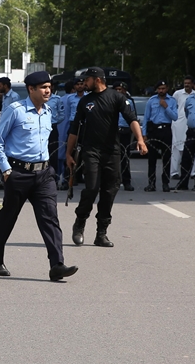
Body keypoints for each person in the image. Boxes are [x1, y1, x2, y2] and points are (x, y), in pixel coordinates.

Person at [0, 71, 78, 281]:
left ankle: (57, 265)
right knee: (8, 217)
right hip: (18, 173)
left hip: (44, 174)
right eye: (43, 87)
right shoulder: (16, 110)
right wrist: (6, 169)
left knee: (50, 218)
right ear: (31, 89)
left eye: (49, 86)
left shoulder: (48, 112)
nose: (48, 90)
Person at [67, 67, 146, 247]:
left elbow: (131, 118)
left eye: (87, 80)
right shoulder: (85, 101)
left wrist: (140, 140)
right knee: (92, 188)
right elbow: (74, 129)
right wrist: (68, 153)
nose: (84, 83)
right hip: (91, 150)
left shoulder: (117, 98)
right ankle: (80, 223)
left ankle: (101, 233)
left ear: (97, 79)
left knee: (109, 192)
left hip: (112, 152)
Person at [142, 80, 178, 192]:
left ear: (167, 88)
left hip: (166, 131)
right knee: (152, 159)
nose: (161, 91)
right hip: (153, 130)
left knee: (166, 158)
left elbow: (175, 117)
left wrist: (166, 107)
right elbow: (146, 118)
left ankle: (165, 183)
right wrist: (144, 134)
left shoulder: (172, 101)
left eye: (163, 88)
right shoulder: (151, 101)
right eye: (159, 89)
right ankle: (151, 183)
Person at [58, 77, 86, 190]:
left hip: (85, 125)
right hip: (74, 124)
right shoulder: (70, 99)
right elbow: (68, 113)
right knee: (71, 151)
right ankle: (68, 177)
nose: (80, 86)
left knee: (85, 151)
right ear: (74, 87)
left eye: (81, 83)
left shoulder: (88, 97)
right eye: (77, 84)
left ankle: (81, 175)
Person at [170, 76, 194, 179]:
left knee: (191, 148)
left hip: (191, 123)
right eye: (185, 83)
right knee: (176, 147)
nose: (187, 85)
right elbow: (173, 106)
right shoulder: (177, 94)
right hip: (178, 123)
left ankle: (192, 172)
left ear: (192, 84)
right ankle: (174, 172)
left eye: (189, 83)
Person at [114, 81, 136, 191]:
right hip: (113, 131)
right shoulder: (110, 101)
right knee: (112, 158)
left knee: (125, 157)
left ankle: (127, 181)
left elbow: (133, 118)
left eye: (120, 89)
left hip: (125, 131)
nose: (119, 91)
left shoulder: (129, 102)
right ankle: (113, 181)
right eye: (116, 89)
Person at [45, 82, 66, 185]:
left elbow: (62, 114)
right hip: (41, 127)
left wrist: (54, 121)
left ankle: (54, 176)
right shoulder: (40, 98)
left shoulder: (57, 99)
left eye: (49, 86)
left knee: (53, 153)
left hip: (52, 127)